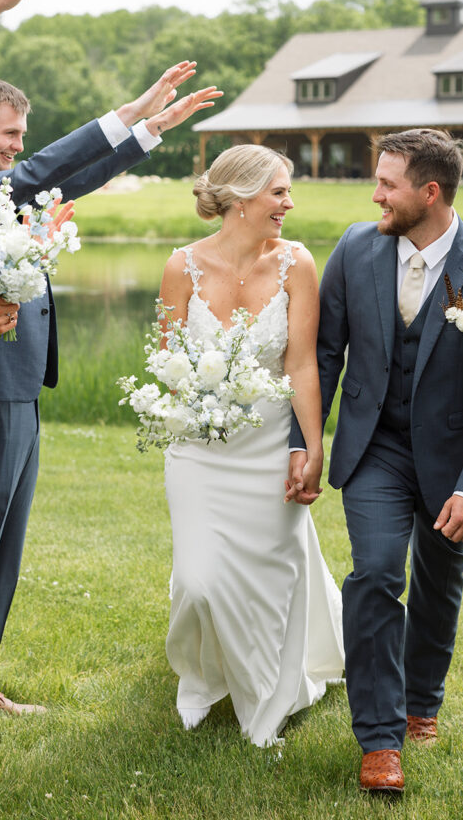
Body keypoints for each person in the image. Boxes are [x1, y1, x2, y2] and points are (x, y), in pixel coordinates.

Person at [0, 68, 223, 759]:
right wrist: (124, 114)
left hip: (17, 382)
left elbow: (62, 182)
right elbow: (47, 171)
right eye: (10, 135)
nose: (19, 147)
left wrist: (147, 132)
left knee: (0, 548)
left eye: (23, 135)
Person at [287, 129, 463, 793]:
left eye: (387, 183)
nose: (375, 194)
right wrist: (303, 441)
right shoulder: (355, 248)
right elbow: (324, 353)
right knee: (373, 574)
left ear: (429, 192)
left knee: (438, 579)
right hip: (373, 448)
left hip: (450, 456)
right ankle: (379, 739)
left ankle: (423, 699)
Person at [158, 144, 344, 748]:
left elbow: (303, 366)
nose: (289, 203)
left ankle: (270, 687)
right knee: (198, 580)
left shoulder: (297, 263)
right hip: (197, 448)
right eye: (279, 192)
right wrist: (191, 402)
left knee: (273, 573)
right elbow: (166, 363)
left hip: (269, 448)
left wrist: (311, 447)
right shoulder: (180, 266)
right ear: (238, 199)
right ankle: (204, 673)